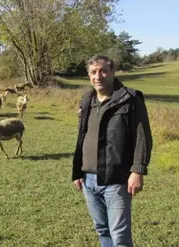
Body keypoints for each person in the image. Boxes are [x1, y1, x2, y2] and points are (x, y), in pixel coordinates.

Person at [72, 55, 152, 247]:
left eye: (103, 71)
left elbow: (143, 137)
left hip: (117, 179)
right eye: (93, 72)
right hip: (89, 179)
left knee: (119, 236)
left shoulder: (131, 99)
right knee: (102, 229)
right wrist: (78, 172)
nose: (98, 76)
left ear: (113, 72)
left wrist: (137, 170)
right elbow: (82, 137)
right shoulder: (87, 100)